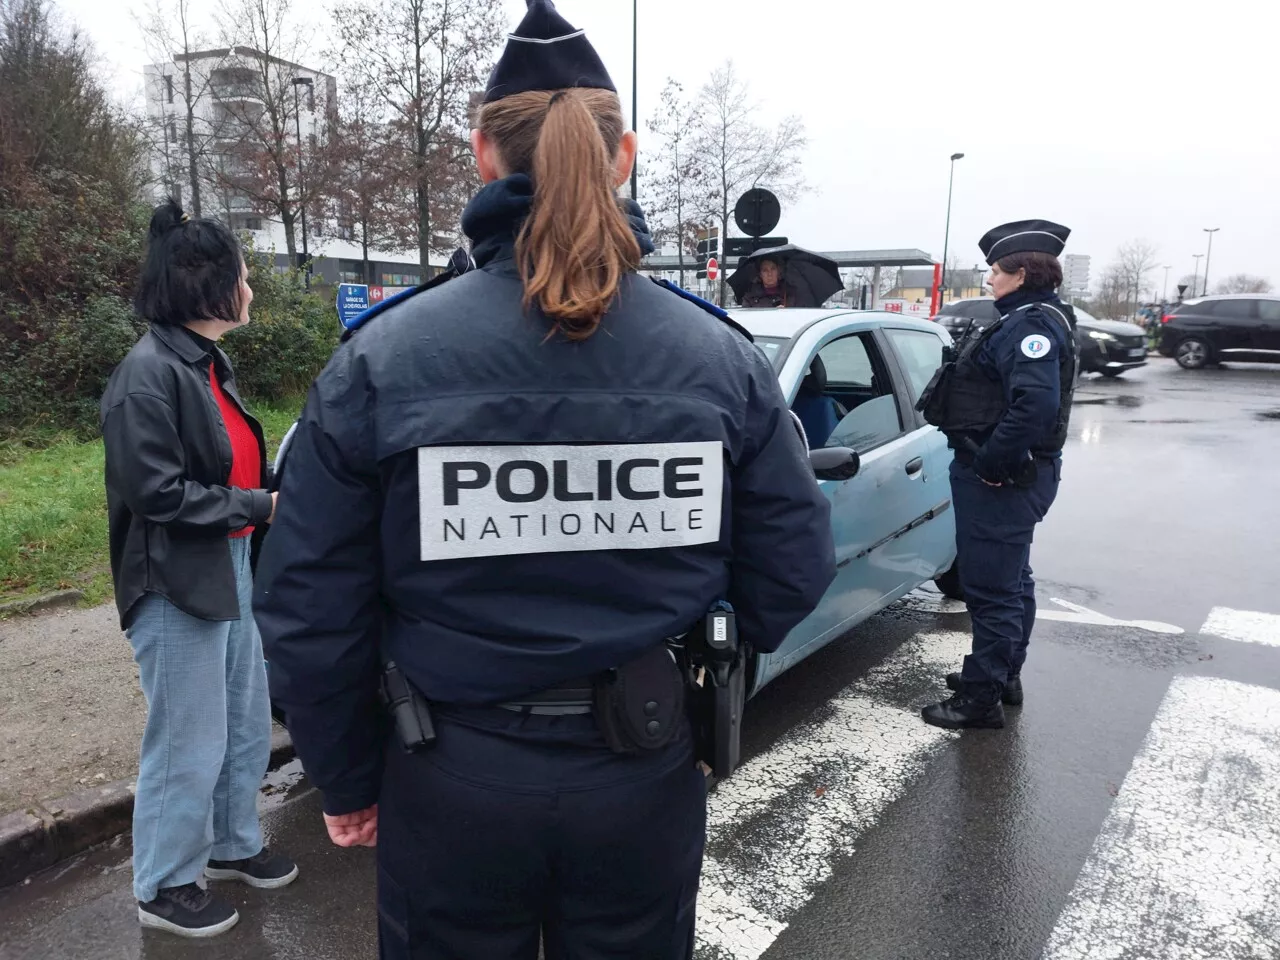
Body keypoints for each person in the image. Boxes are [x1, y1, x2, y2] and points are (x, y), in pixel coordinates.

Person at [254, 2, 835, 957]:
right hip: (641, 776)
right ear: (626, 155)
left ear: (483, 153)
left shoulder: (383, 360)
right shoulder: (718, 360)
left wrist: (348, 775)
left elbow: (312, 598)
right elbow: (791, 564)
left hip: (448, 779)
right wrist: (700, 702)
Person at [99, 200, 298, 937]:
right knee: (187, 737)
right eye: (245, 276)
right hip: (176, 582)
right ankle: (164, 881)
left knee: (244, 722)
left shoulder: (205, 361)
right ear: (210, 286)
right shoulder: (147, 376)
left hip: (229, 562)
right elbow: (158, 493)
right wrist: (261, 504)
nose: (251, 289)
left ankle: (230, 844)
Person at [920, 219, 1077, 730]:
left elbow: (1034, 406)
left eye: (995, 270)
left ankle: (980, 698)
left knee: (992, 590)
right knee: (1013, 581)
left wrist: (991, 461)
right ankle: (1002, 674)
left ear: (1021, 273)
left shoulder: (1031, 324)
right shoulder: (1035, 317)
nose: (989, 279)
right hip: (1015, 476)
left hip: (1001, 480)